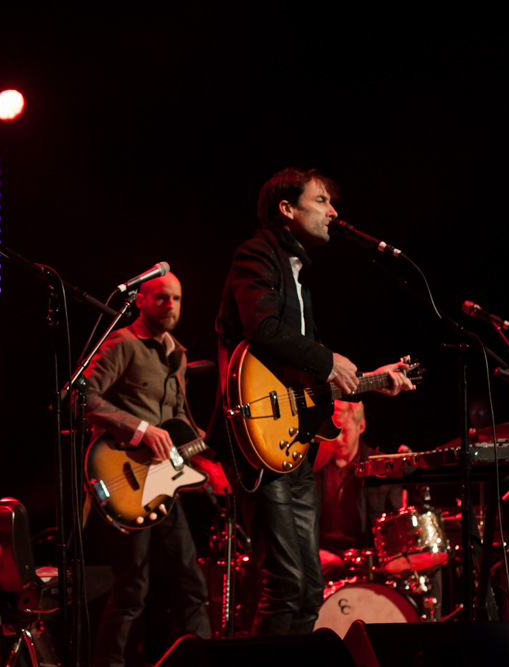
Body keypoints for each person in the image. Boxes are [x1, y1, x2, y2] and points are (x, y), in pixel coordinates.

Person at [214, 167, 413, 636]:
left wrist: (371, 381)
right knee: (285, 586)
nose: (333, 212)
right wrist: (327, 360)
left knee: (307, 592)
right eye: (321, 200)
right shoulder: (257, 253)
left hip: (296, 442)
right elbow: (261, 327)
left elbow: (303, 379)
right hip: (259, 440)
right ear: (287, 208)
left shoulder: (298, 272)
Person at [84, 272, 224, 667]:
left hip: (166, 483)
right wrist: (140, 429)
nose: (171, 306)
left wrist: (211, 456)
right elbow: (82, 397)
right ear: (141, 301)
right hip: (125, 478)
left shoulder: (178, 354)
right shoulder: (122, 343)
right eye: (162, 297)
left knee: (191, 585)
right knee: (131, 590)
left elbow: (180, 424)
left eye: (177, 299)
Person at [314, 400, 404, 580]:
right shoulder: (315, 466)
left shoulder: (382, 466)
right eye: (333, 432)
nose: (337, 439)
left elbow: (394, 529)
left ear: (361, 426)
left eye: (343, 431)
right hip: (323, 554)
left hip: (367, 559)